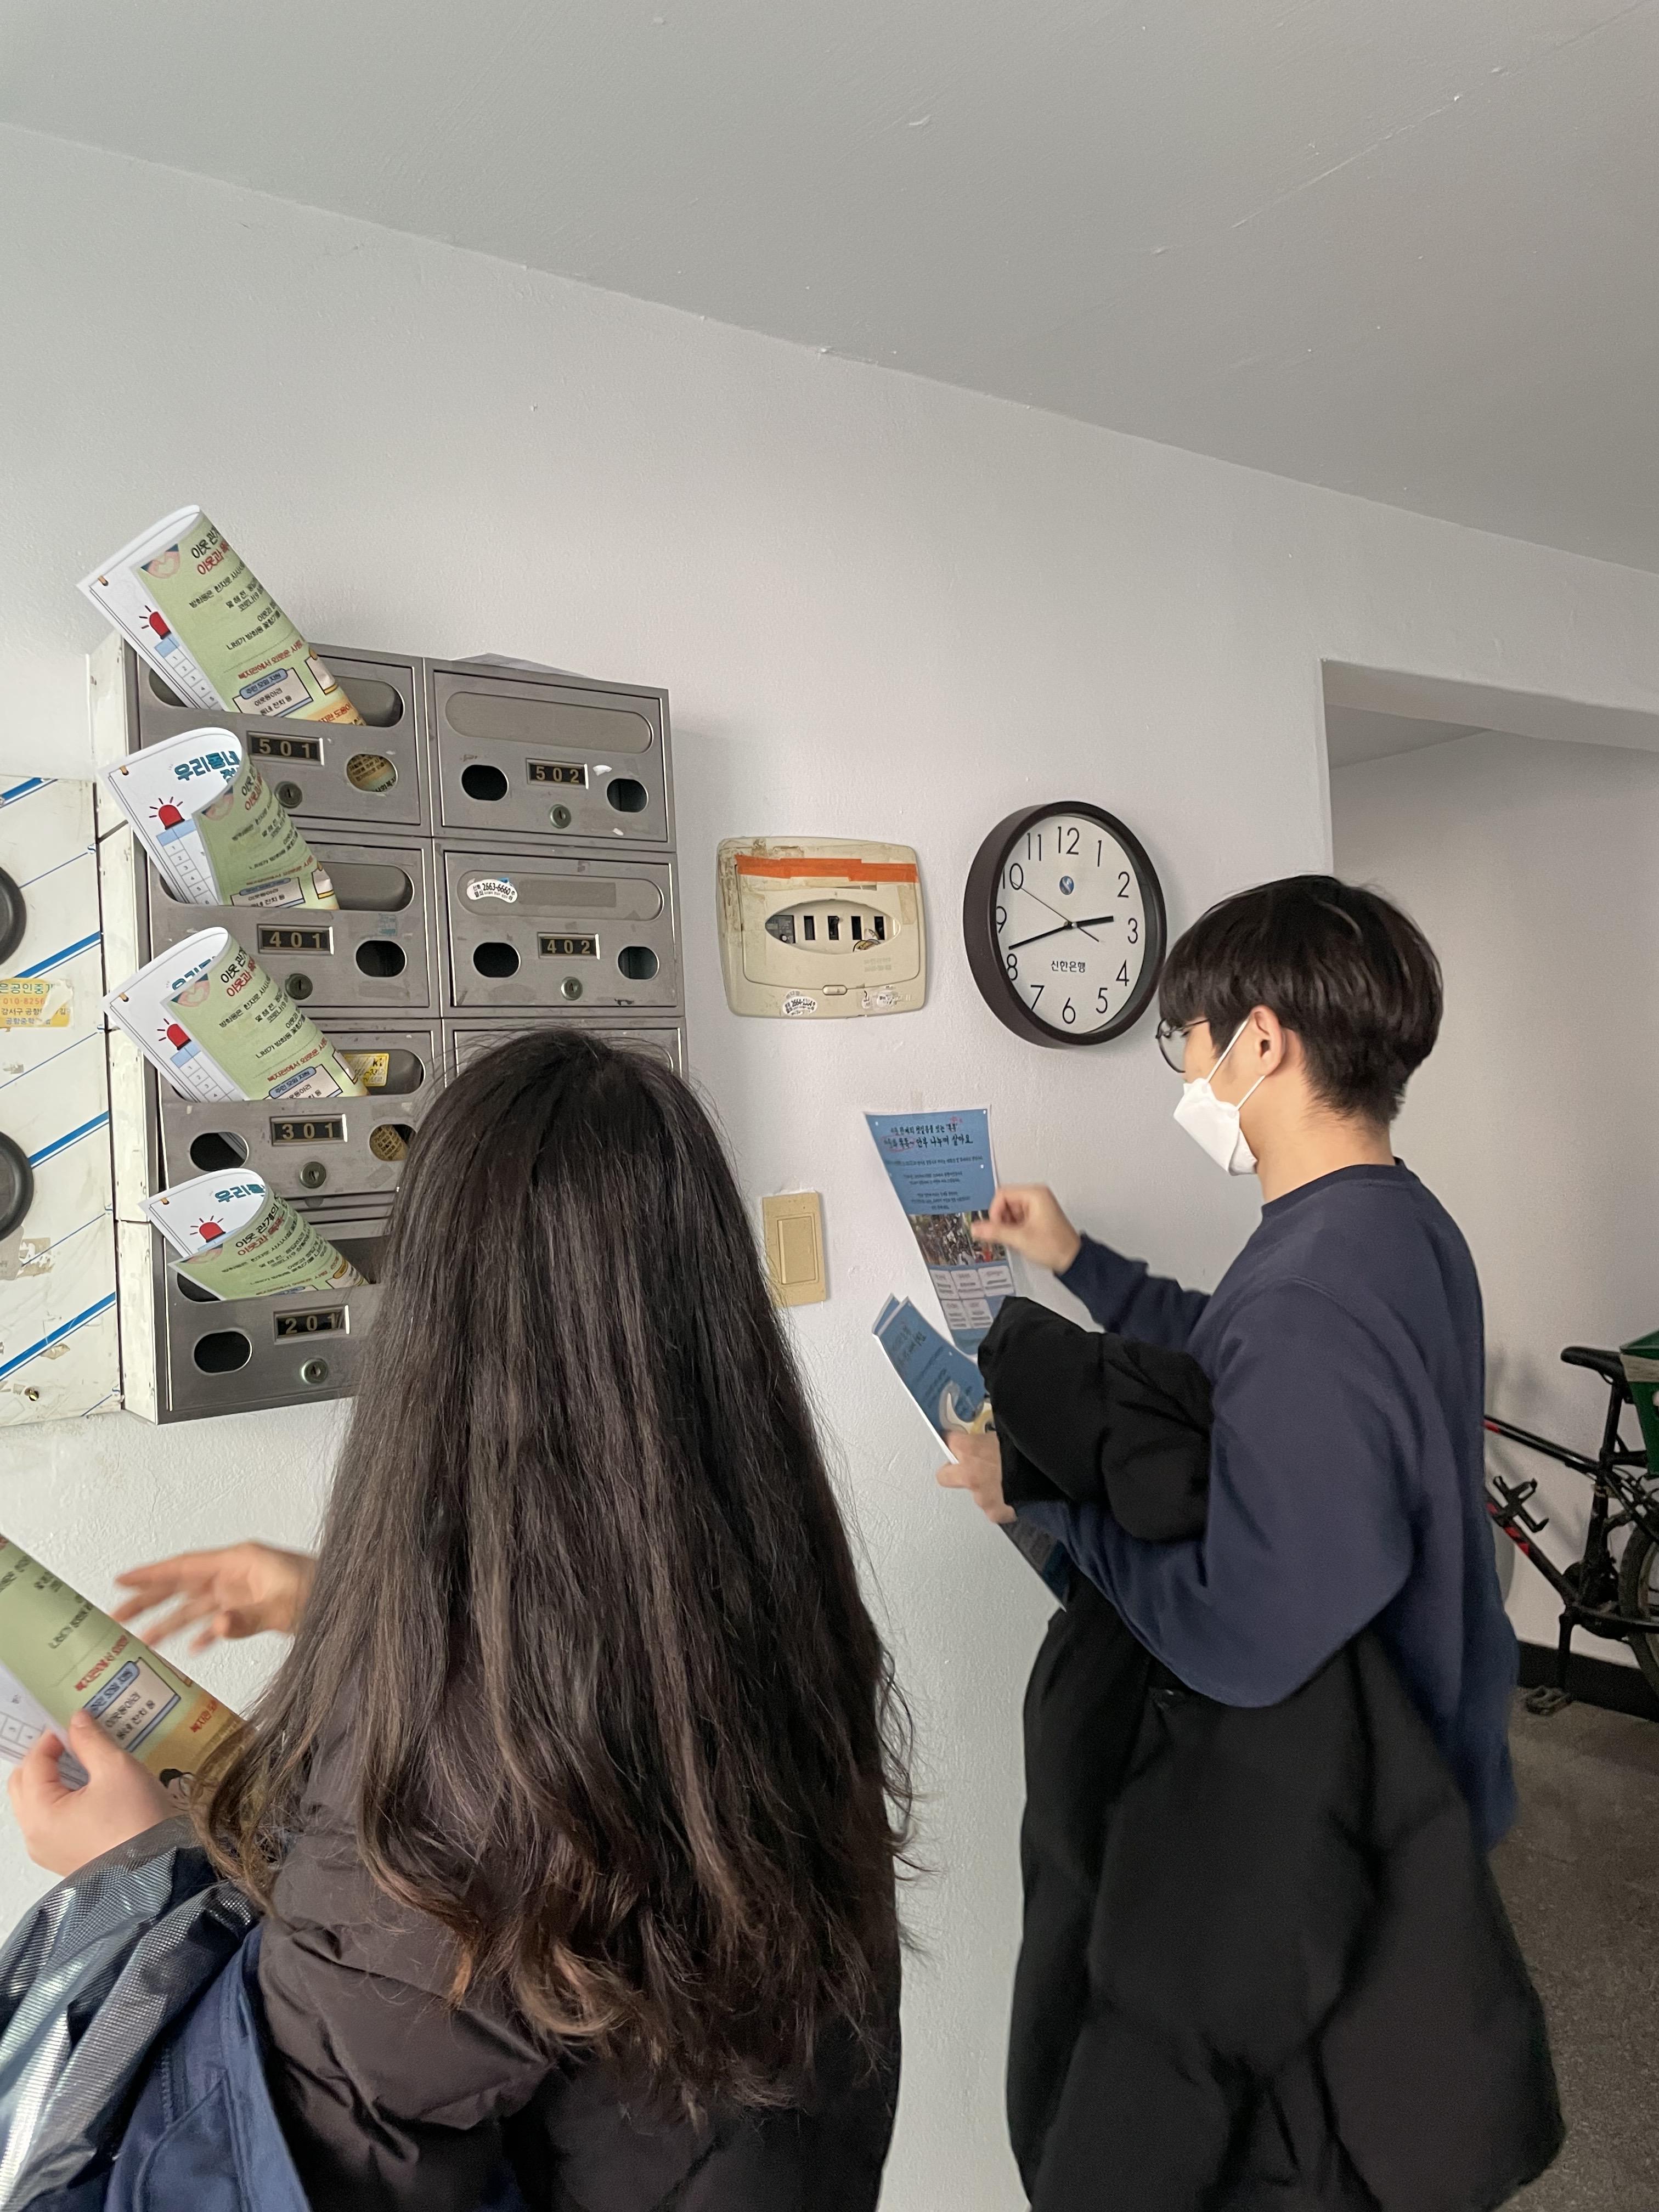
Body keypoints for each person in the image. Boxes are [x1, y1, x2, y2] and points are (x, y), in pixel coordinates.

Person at [10, 1031, 909, 2210]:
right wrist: (335, 1600)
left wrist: (129, 1868)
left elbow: (273, 2169)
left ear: (435, 1328)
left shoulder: (464, 1786)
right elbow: (592, 1642)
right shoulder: (773, 1597)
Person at [938, 872, 1519, 1853]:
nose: (1188, 1072)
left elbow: (1239, 1635)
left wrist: (1039, 1496)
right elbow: (1237, 1350)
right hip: (1437, 1754)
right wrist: (1078, 1260)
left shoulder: (1311, 1289)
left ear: (1260, 1042)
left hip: (1368, 1825)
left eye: (1189, 1039)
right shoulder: (1394, 1220)